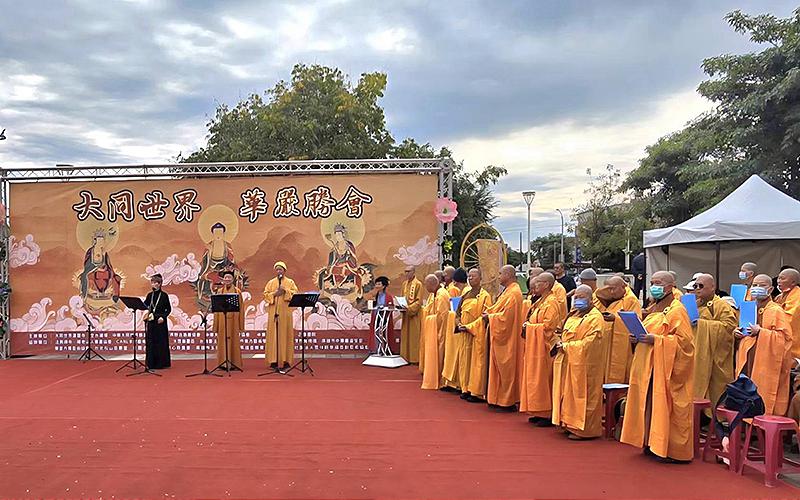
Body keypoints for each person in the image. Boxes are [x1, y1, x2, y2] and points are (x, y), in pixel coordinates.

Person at [621, 271, 694, 463]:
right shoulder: (655, 308)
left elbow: (685, 344)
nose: (654, 286)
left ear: (670, 286)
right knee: (649, 404)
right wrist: (637, 338)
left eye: (658, 283)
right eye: (652, 282)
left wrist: (657, 340)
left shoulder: (677, 310)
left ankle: (671, 450)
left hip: (665, 368)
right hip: (649, 365)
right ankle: (652, 442)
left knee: (666, 405)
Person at [735, 274, 793, 416]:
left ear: (771, 289)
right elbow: (743, 331)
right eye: (754, 285)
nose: (757, 288)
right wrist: (737, 333)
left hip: (766, 363)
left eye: (762, 286)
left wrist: (761, 332)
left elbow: (784, 339)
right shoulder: (748, 308)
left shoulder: (776, 310)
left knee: (763, 395)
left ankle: (761, 422)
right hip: (749, 359)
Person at [552, 285, 605, 439]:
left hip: (585, 365)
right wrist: (559, 340)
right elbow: (561, 331)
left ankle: (585, 430)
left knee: (584, 395)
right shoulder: (574, 314)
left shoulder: (595, 318)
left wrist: (567, 346)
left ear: (591, 299)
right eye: (576, 297)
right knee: (567, 393)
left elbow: (590, 342)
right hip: (568, 361)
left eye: (582, 297)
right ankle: (568, 423)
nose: (577, 300)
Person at [520, 271, 562, 425]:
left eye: (538, 282)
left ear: (546, 284)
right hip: (535, 346)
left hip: (545, 347)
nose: (535, 285)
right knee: (536, 379)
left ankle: (548, 414)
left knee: (545, 380)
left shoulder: (552, 302)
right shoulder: (540, 301)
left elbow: (548, 327)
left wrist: (530, 327)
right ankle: (538, 410)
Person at [690, 274, 737, 413]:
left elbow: (729, 326)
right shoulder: (695, 305)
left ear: (712, 287)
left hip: (716, 357)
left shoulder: (721, 305)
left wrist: (703, 324)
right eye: (695, 286)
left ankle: (716, 418)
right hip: (698, 354)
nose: (697, 289)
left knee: (716, 389)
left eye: (701, 286)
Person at [481, 265, 524, 411]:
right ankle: (496, 398)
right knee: (498, 369)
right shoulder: (507, 291)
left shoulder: (514, 293)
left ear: (508, 275)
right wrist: (488, 312)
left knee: (506, 370)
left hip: (508, 338)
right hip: (500, 337)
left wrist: (490, 317)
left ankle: (507, 402)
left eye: (500, 274)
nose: (498, 276)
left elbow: (506, 318)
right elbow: (497, 308)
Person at [594, 276, 641, 384]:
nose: (611, 292)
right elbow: (599, 293)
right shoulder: (612, 298)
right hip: (607, 342)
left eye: (613, 289)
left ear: (623, 286)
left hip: (623, 346)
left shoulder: (631, 300)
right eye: (609, 289)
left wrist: (615, 319)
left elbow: (635, 322)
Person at [457, 268, 493, 402]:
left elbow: (485, 317)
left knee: (477, 362)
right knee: (465, 362)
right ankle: (465, 388)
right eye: (469, 276)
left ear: (480, 278)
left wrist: (469, 326)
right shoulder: (465, 293)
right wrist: (458, 323)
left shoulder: (485, 296)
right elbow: (457, 311)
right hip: (464, 333)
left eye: (473, 276)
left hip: (477, 333)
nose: (470, 278)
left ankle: (476, 392)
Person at [263, 262, 298, 370]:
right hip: (274, 313)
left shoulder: (290, 282)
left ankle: (286, 360)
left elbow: (295, 293)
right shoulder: (271, 282)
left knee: (285, 335)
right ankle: (273, 361)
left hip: (286, 313)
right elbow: (265, 295)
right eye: (277, 269)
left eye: (280, 269)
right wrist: (274, 294)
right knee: (273, 336)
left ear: (284, 271)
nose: (279, 271)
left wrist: (285, 291)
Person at [421, 274, 452, 390]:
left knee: (441, 353)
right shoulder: (436, 294)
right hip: (436, 330)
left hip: (441, 330)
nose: (425, 287)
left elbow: (442, 316)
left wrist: (430, 319)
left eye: (426, 284)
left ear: (432, 284)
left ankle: (442, 379)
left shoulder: (442, 295)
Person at [442, 268, 469, 391]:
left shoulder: (466, 292)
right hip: (457, 325)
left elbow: (457, 310)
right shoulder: (463, 291)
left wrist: (453, 315)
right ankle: (455, 382)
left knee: (458, 356)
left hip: (461, 326)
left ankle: (457, 384)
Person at [213, 270, 244, 370]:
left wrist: (240, 324)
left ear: (233, 279)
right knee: (222, 341)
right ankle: (223, 363)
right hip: (222, 320)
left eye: (229, 278)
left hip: (234, 320)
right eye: (225, 277)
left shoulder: (237, 292)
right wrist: (216, 325)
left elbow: (241, 309)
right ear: (223, 279)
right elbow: (216, 311)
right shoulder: (220, 291)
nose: (227, 279)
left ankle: (234, 363)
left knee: (234, 341)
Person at [144, 273, 171, 370]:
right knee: (151, 341)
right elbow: (145, 305)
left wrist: (163, 317)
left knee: (160, 342)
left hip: (160, 321)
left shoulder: (164, 295)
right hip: (151, 320)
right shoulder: (150, 295)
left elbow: (168, 309)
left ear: (160, 284)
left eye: (156, 283)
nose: (154, 284)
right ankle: (151, 363)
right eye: (152, 282)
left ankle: (161, 363)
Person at [399, 266, 423, 364]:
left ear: (413, 272)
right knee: (405, 336)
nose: (406, 273)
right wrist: (401, 305)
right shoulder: (404, 284)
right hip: (406, 315)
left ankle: (415, 359)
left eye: (408, 271)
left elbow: (418, 301)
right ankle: (405, 357)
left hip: (414, 315)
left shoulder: (418, 284)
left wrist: (409, 308)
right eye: (405, 271)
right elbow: (402, 298)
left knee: (414, 337)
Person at [775, 267, 800, 358]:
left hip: (793, 341)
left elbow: (790, 318)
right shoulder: (780, 296)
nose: (778, 281)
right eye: (778, 278)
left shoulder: (797, 296)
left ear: (793, 282)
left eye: (782, 278)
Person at [368, 276, 395, 354]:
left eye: (379, 284)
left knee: (384, 333)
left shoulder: (388, 296)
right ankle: (376, 349)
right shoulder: (374, 295)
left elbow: (391, 307)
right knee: (375, 333)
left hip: (384, 318)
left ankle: (385, 349)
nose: (377, 286)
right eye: (376, 284)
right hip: (376, 317)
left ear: (383, 286)